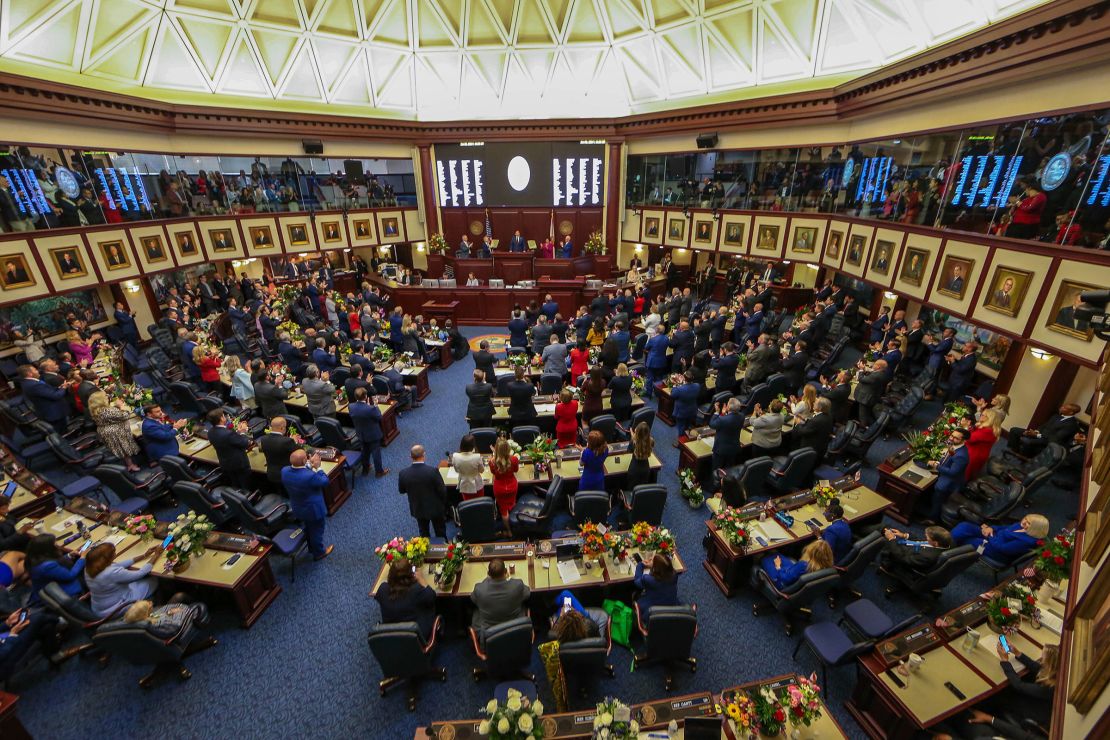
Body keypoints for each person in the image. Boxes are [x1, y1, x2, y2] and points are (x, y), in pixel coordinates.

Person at [85, 542, 162, 618]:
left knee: (136, 582)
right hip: (115, 608)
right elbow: (140, 573)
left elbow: (118, 565)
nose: (115, 554)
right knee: (155, 580)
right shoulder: (112, 573)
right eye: (114, 552)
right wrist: (156, 555)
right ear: (108, 558)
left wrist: (145, 555)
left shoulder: (90, 568)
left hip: (99, 607)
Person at [282, 449, 333, 561]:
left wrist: (309, 464)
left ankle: (312, 548)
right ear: (305, 459)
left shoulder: (284, 471)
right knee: (317, 531)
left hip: (298, 508)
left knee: (309, 528)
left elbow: (300, 473)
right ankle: (319, 553)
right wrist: (318, 467)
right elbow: (324, 481)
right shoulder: (310, 476)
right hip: (314, 510)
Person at [373, 558, 437, 640]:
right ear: (411, 574)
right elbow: (432, 596)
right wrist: (422, 579)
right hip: (416, 636)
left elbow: (379, 598)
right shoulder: (416, 590)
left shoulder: (382, 589)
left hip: (390, 634)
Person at [951, 514, 1048, 564]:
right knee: (965, 527)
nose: (1024, 522)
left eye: (1029, 523)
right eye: (1026, 518)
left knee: (969, 541)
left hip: (996, 552)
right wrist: (991, 528)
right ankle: (947, 543)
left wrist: (990, 536)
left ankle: (947, 553)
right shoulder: (1021, 526)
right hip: (994, 537)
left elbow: (1003, 548)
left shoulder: (1026, 542)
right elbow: (1004, 528)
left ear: (1035, 528)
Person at [470, 559, 530, 637]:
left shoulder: (479, 589)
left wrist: (487, 580)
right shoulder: (517, 585)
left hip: (489, 633)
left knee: (475, 610)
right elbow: (527, 594)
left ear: (488, 574)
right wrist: (509, 579)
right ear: (506, 571)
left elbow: (473, 599)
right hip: (515, 628)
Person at [398, 445, 448, 538]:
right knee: (440, 531)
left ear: (410, 457)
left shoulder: (403, 473)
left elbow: (402, 490)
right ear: (424, 455)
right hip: (435, 507)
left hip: (418, 507)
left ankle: (426, 550)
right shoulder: (433, 471)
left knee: (423, 532)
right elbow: (442, 491)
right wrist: (443, 503)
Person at [89, 390, 142, 472]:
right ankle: (130, 465)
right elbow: (124, 416)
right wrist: (121, 406)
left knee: (120, 448)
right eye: (105, 396)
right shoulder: (106, 410)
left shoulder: (96, 410)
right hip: (115, 432)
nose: (107, 397)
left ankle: (129, 464)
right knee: (123, 448)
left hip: (106, 430)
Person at [25, 533, 85, 603]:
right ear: (48, 548)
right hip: (64, 594)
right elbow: (70, 575)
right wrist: (82, 559)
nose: (57, 545)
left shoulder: (34, 559)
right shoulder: (47, 567)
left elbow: (56, 562)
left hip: (49, 589)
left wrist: (69, 555)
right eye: (55, 544)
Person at [1006, 403, 1081, 456]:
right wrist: (1035, 431)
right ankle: (1015, 452)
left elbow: (1055, 438)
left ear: (1071, 412)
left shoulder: (1071, 425)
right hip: (1038, 434)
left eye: (1064, 408)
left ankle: (1024, 457)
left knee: (1027, 441)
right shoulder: (1056, 416)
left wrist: (1037, 435)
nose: (1061, 407)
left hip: (1048, 441)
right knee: (1014, 430)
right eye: (1063, 406)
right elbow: (1043, 426)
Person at [878, 525, 952, 580]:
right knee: (887, 527)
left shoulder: (927, 556)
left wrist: (891, 539)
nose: (926, 537)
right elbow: (920, 542)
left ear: (935, 543)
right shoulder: (945, 543)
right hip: (914, 551)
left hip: (906, 562)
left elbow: (902, 558)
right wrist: (904, 535)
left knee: (884, 541)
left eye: (927, 537)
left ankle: (885, 565)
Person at [928, 428, 969, 523]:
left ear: (964, 441)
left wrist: (936, 465)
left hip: (948, 483)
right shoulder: (955, 446)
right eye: (952, 436)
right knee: (935, 498)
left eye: (956, 438)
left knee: (938, 502)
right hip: (943, 476)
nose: (951, 439)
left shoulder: (961, 455)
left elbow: (952, 472)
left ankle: (932, 520)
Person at [207, 409, 253, 489]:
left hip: (225, 463)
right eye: (224, 416)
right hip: (239, 464)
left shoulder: (210, 432)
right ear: (221, 418)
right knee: (245, 486)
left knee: (235, 484)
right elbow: (245, 443)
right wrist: (242, 432)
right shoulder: (228, 434)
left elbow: (229, 441)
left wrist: (237, 433)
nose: (225, 417)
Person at [760, 539, 834, 590]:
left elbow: (785, 579)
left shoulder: (804, 565)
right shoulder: (825, 566)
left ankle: (757, 576)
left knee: (762, 557)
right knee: (776, 554)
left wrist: (778, 566)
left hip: (783, 583)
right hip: (793, 577)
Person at [19, 364, 70, 434]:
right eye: (35, 370)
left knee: (61, 432)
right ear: (29, 373)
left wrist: (59, 388)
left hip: (46, 411)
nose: (38, 371)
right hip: (54, 413)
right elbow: (56, 396)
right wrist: (64, 388)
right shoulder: (34, 385)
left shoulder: (26, 382)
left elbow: (46, 391)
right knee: (62, 433)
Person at [348, 388, 387, 478]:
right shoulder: (371, 409)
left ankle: (365, 469)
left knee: (365, 452)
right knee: (376, 453)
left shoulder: (351, 406)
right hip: (373, 435)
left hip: (360, 434)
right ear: (366, 396)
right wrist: (376, 406)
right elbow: (379, 417)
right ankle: (379, 472)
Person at [489, 439, 519, 536]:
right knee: (512, 504)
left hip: (500, 489)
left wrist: (494, 455)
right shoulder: (514, 459)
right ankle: (516, 525)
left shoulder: (492, 462)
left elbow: (494, 473)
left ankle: (509, 531)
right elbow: (516, 470)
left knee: (504, 511)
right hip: (512, 487)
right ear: (508, 448)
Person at [633, 553, 679, 617]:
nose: (650, 559)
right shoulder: (674, 575)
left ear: (655, 568)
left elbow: (637, 581)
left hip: (652, 613)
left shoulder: (648, 579)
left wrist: (640, 565)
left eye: (652, 560)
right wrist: (654, 567)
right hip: (672, 609)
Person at [709, 397, 744, 473]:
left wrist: (717, 412)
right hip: (734, 448)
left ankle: (716, 483)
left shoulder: (723, 419)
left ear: (728, 407)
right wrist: (724, 414)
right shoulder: (742, 416)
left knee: (716, 471)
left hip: (720, 450)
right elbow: (731, 420)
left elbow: (712, 424)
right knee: (729, 470)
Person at [965, 408, 1002, 480]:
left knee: (963, 474)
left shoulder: (987, 431)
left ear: (989, 419)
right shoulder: (987, 428)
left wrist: (965, 427)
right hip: (978, 452)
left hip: (974, 455)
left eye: (982, 415)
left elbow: (969, 438)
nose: (980, 416)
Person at [260, 416, 299, 485]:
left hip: (271, 474)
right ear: (282, 428)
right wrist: (295, 441)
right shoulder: (287, 441)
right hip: (287, 475)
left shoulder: (263, 439)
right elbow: (299, 453)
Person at [451, 434, 486, 502]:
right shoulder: (477, 457)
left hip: (464, 485)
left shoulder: (455, 456)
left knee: (468, 505)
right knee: (479, 504)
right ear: (473, 446)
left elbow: (456, 470)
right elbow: (481, 470)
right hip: (477, 485)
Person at [625, 422, 654, 491]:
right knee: (642, 488)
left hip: (634, 469)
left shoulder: (633, 442)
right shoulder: (651, 441)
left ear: (637, 432)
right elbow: (642, 441)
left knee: (631, 489)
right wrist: (633, 435)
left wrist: (632, 436)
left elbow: (629, 451)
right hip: (645, 468)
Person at [670, 372, 700, 439]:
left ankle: (681, 443)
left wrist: (675, 385)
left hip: (681, 412)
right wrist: (680, 383)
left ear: (684, 378)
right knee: (687, 426)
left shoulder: (679, 389)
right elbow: (687, 389)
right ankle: (687, 439)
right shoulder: (697, 386)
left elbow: (672, 395)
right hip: (692, 410)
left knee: (681, 427)